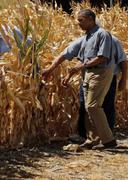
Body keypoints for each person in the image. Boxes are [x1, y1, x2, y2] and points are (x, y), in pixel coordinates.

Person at [42, 9, 117, 150]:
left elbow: (102, 57)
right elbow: (76, 58)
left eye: (81, 20)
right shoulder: (86, 38)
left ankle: (109, 140)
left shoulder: (103, 34)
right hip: (88, 73)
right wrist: (62, 72)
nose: (78, 23)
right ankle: (92, 139)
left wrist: (80, 67)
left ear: (90, 19)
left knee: (93, 106)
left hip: (100, 72)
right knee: (88, 107)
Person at [73, 36, 127, 139]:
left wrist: (123, 80)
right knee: (85, 105)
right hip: (87, 78)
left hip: (107, 78)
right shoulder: (84, 40)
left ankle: (107, 137)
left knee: (106, 105)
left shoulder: (113, 41)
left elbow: (123, 61)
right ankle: (84, 136)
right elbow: (79, 59)